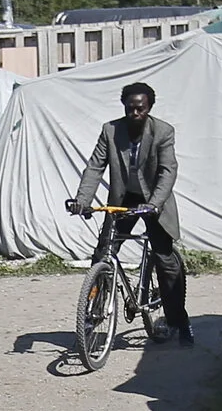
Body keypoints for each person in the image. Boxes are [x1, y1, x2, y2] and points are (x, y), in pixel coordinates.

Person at [67, 80, 190, 345]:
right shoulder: (110, 131)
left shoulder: (163, 132)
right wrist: (82, 200)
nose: (135, 114)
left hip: (155, 200)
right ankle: (94, 312)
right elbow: (94, 167)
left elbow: (168, 171)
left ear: (149, 108)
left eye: (141, 109)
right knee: (103, 253)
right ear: (124, 106)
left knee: (165, 262)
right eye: (130, 108)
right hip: (124, 200)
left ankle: (178, 321)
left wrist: (154, 204)